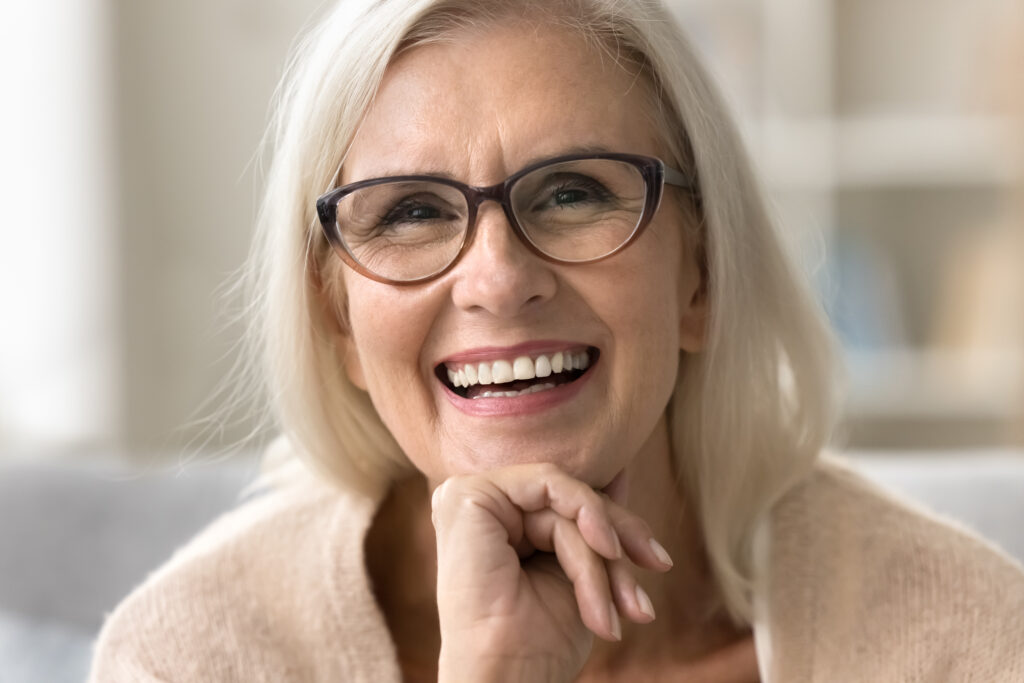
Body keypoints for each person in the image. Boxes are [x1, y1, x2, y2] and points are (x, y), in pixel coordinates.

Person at [89, 0, 1024, 680]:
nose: (496, 278)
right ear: (336, 317)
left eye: (573, 192)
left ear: (698, 273)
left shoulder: (958, 639)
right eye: (411, 211)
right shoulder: (189, 657)